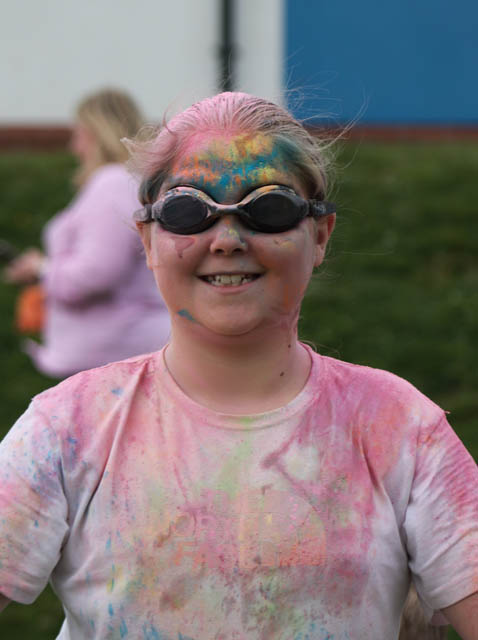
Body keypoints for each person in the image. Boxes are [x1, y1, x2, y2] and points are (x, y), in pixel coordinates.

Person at [0, 91, 477, 639]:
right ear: (148, 239)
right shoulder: (67, 429)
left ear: (319, 234)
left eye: (268, 209)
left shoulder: (400, 428)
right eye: (187, 211)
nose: (226, 239)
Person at [4, 88, 170, 377]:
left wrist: (42, 269)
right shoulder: (127, 183)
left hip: (114, 359)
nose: (74, 146)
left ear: (96, 133)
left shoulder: (111, 184)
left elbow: (96, 274)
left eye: (78, 134)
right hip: (119, 353)